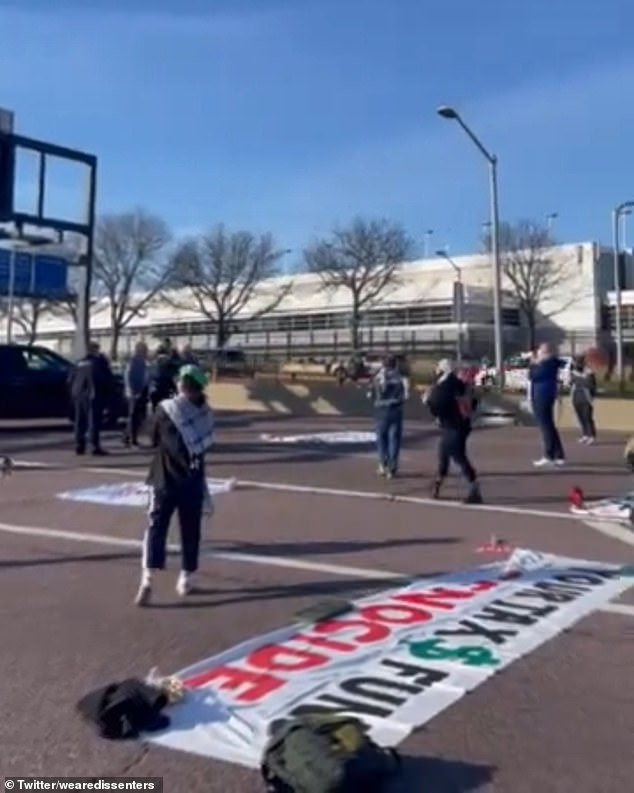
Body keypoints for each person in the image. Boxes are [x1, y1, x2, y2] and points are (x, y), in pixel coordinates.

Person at [135, 363, 215, 606]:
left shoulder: (167, 409)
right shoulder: (206, 413)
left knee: (156, 527)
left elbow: (146, 438)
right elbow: (206, 446)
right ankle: (185, 578)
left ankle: (147, 578)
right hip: (192, 479)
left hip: (163, 477)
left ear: (180, 384)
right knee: (190, 530)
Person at [424, 358, 482, 504]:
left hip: (455, 425)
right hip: (457, 424)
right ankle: (438, 483)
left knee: (458, 456)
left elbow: (438, 405)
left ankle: (474, 489)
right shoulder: (455, 383)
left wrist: (427, 401)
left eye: (438, 367)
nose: (436, 370)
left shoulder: (446, 385)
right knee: (444, 452)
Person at [68, 341, 115, 456]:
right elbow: (105, 378)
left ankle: (79, 444)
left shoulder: (79, 362)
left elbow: (70, 379)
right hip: (94, 394)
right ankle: (94, 445)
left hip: (78, 394)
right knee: (94, 420)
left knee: (80, 420)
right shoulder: (99, 362)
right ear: (96, 350)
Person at [369, 354, 408, 478]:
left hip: (381, 410)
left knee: (381, 438)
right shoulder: (400, 378)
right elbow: (405, 396)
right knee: (394, 440)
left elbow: (371, 394)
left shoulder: (378, 378)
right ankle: (392, 467)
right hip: (396, 410)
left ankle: (383, 463)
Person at [529, 342, 566, 467]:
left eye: (540, 351)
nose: (538, 353)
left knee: (545, 427)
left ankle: (549, 455)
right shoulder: (547, 363)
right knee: (549, 425)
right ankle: (558, 454)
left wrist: (534, 363)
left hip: (543, 396)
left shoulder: (548, 364)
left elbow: (533, 375)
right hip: (541, 395)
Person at [123, 341, 149, 447]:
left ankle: (127, 437)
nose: (146, 352)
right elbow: (128, 376)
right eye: (144, 350)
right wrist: (132, 391)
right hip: (134, 392)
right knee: (133, 416)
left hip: (141, 391)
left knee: (137, 416)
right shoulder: (133, 361)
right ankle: (131, 439)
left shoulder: (142, 361)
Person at [569, 354, 597, 444]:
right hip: (576, 398)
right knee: (580, 417)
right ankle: (585, 434)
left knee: (587, 417)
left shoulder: (589, 373)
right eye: (576, 362)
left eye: (578, 362)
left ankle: (591, 435)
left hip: (586, 399)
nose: (576, 364)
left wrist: (579, 379)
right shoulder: (573, 373)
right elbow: (571, 382)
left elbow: (589, 384)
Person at [148, 343, 178, 414]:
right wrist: (175, 389)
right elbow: (172, 376)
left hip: (154, 390)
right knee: (165, 412)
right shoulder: (169, 362)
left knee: (155, 410)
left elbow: (149, 377)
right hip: (166, 390)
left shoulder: (152, 363)